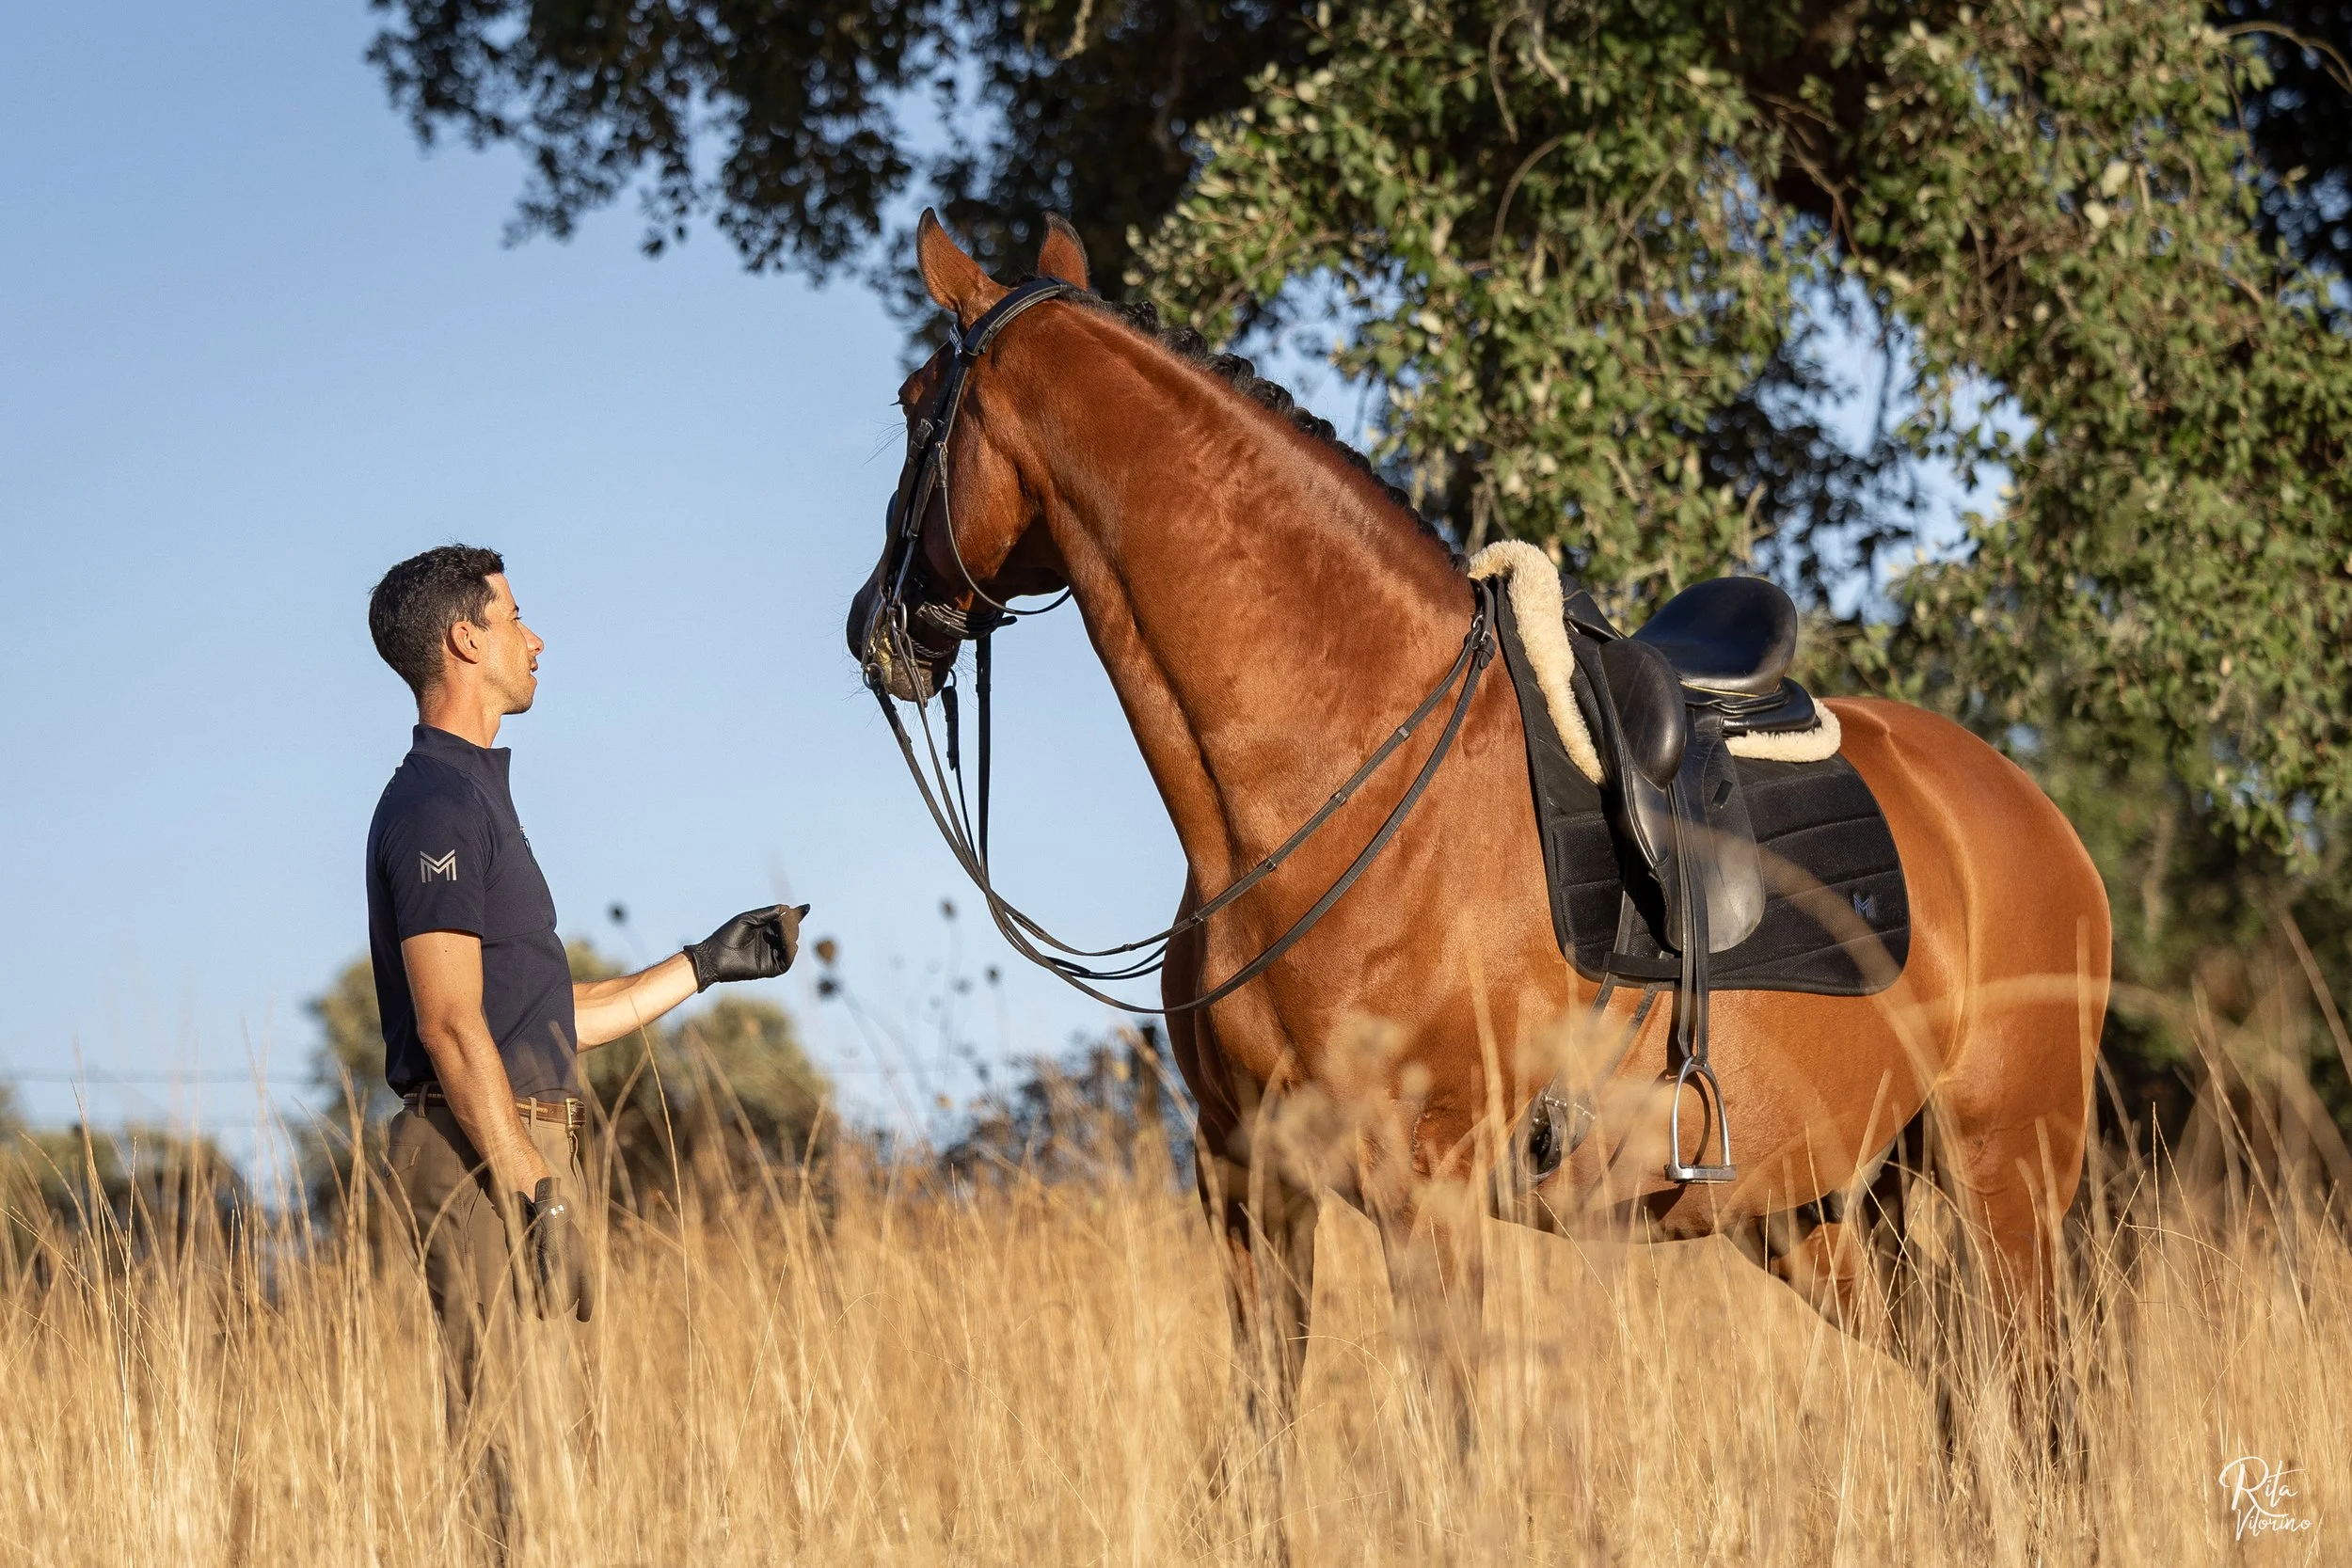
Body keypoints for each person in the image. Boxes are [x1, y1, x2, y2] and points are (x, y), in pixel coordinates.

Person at [362, 543, 802, 1548]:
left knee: (552, 1443)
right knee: (501, 1451)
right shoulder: (434, 805)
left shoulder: (474, 796)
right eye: (515, 617)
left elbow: (545, 1016)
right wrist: (531, 1185)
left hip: (518, 1144)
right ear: (465, 638)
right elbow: (448, 1022)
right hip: (480, 1154)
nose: (536, 637)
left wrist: (705, 962)